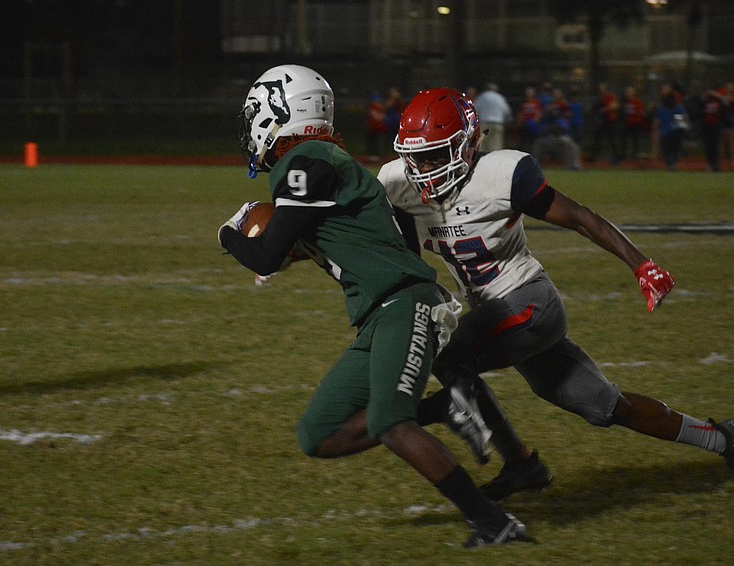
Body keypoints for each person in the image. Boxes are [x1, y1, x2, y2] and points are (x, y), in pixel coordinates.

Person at [376, 87, 734, 502]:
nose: (423, 169)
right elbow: (409, 258)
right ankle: (724, 438)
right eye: (416, 157)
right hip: (495, 317)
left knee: (451, 356)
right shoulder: (398, 185)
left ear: (468, 143)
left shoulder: (501, 175)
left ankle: (463, 440)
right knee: (605, 407)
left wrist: (642, 265)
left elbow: (580, 218)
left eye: (436, 155)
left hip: (529, 302)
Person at [218, 65, 527, 548]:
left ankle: (492, 522)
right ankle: (446, 406)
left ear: (280, 111)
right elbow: (369, 234)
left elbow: (264, 255)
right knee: (318, 433)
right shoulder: (321, 160)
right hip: (380, 312)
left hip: (403, 304)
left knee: (390, 423)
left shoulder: (307, 160)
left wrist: (229, 232)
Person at [652, 84, 689, 171]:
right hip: (676, 134)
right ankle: (673, 166)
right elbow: (681, 124)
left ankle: (672, 166)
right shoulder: (679, 109)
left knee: (668, 153)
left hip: (666, 135)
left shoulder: (661, 110)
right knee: (674, 153)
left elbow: (656, 124)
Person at [474, 82, 513, 152]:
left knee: (482, 145)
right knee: (496, 145)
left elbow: (475, 109)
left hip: (485, 123)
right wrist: (508, 121)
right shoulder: (500, 98)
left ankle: (482, 158)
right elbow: (507, 111)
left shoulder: (482, 96)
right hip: (498, 124)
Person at [590, 82, 620, 164]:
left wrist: (605, 109)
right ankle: (594, 156)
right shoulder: (600, 99)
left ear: (606, 89)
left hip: (610, 121)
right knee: (598, 138)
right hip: (603, 122)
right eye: (600, 89)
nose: (601, 91)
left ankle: (617, 157)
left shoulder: (610, 96)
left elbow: (615, 106)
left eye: (602, 89)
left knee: (612, 139)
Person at [619, 86, 645, 161]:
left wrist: (635, 115)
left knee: (635, 140)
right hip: (627, 123)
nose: (627, 94)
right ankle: (623, 154)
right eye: (627, 92)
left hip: (635, 123)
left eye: (629, 92)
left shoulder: (637, 101)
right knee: (624, 139)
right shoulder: (625, 102)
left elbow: (641, 112)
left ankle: (635, 155)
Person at [365, 92, 387, 163]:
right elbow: (378, 118)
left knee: (378, 143)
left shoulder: (380, 108)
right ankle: (372, 157)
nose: (379, 102)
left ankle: (377, 157)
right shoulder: (373, 107)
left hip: (379, 129)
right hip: (373, 129)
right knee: (373, 143)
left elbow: (382, 117)